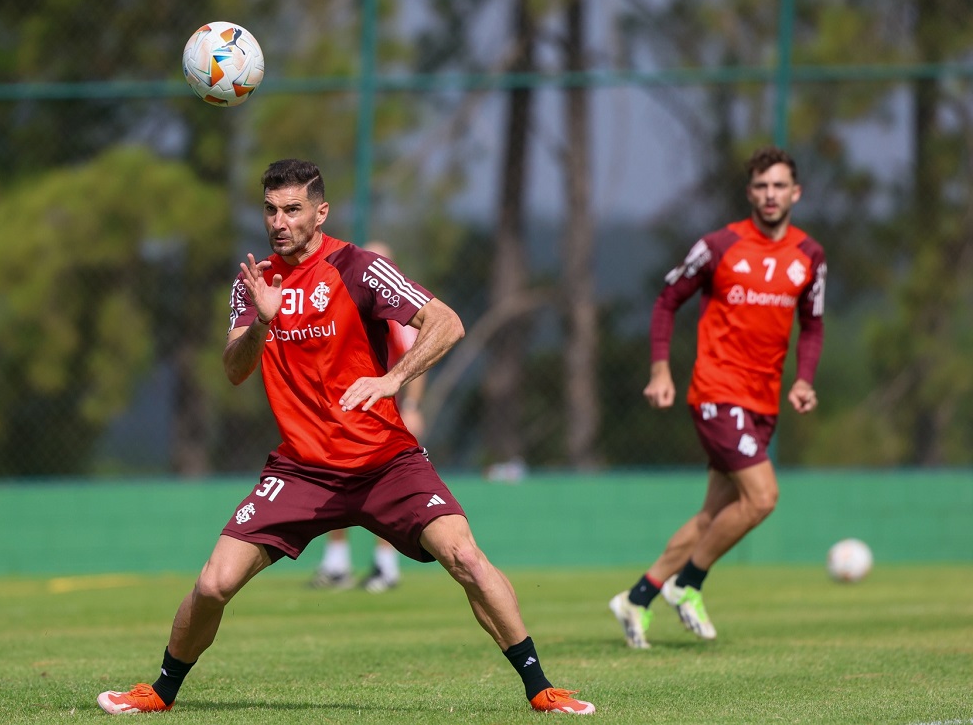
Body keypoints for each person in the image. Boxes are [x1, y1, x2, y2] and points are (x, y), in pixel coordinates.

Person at [98, 159, 595, 715]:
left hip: (387, 463)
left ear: (320, 211)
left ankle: (541, 689)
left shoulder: (360, 267)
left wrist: (393, 378)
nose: (279, 222)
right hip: (302, 471)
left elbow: (447, 322)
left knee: (467, 559)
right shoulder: (255, 283)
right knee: (214, 584)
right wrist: (262, 321)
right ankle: (159, 693)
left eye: (292, 209)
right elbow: (235, 370)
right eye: (270, 210)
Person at [609, 145, 826, 649]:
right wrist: (661, 370)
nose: (770, 195)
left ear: (795, 193)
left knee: (713, 516)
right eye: (761, 186)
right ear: (749, 193)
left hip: (764, 401)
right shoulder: (719, 245)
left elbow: (812, 326)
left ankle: (637, 598)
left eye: (779, 186)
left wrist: (805, 378)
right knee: (764, 497)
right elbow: (667, 301)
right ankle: (689, 583)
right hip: (716, 390)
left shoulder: (809, 256)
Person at [309, 240, 426, 594]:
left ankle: (386, 566)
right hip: (347, 409)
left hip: (384, 414)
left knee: (384, 489)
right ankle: (337, 562)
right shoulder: (346, 298)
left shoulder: (396, 307)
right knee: (333, 478)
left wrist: (411, 409)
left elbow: (415, 359)